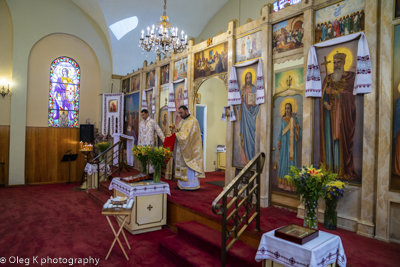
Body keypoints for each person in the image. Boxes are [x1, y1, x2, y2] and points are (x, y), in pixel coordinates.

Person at [319, 52, 358, 180]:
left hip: (342, 116)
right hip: (329, 116)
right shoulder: (328, 78)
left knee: (339, 140)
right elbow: (323, 98)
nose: (336, 65)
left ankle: (341, 170)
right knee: (330, 139)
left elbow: (351, 97)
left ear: (343, 63)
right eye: (334, 63)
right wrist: (325, 104)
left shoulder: (350, 77)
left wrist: (336, 93)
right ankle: (329, 168)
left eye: (338, 62)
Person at [168, 105, 204, 190]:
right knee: (181, 165)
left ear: (186, 111)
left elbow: (187, 135)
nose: (180, 115)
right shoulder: (183, 121)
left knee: (189, 166)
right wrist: (175, 130)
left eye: (181, 112)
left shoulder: (193, 121)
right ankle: (182, 184)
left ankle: (191, 185)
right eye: (179, 113)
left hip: (190, 149)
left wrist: (176, 135)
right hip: (182, 148)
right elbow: (181, 131)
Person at [277, 103, 301, 192]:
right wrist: (279, 141)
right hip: (284, 144)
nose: (287, 110)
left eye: (288, 108)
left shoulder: (294, 119)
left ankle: (292, 186)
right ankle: (283, 185)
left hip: (292, 145)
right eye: (286, 108)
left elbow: (299, 133)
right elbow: (280, 131)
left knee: (291, 163)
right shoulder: (282, 120)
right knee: (283, 161)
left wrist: (296, 126)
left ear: (291, 109)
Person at [239, 72, 259, 164]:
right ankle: (245, 160)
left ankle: (251, 158)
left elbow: (258, 103)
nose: (248, 79)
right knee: (244, 137)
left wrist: (255, 105)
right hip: (244, 116)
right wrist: (242, 94)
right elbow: (238, 104)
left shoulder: (254, 88)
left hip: (251, 115)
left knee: (251, 137)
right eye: (247, 78)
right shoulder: (242, 89)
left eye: (250, 77)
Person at [138, 109, 165, 174]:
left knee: (151, 159)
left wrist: (164, 139)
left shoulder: (152, 122)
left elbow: (159, 131)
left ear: (147, 114)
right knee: (144, 158)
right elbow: (139, 134)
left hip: (150, 143)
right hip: (143, 144)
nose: (142, 116)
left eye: (143, 115)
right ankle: (144, 171)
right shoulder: (141, 123)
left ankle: (151, 173)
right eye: (141, 115)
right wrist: (139, 144)